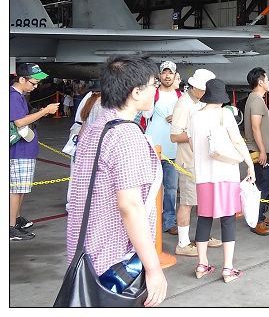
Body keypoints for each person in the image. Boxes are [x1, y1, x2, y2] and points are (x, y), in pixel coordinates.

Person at [66, 55, 167, 307]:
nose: (156, 90)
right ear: (136, 92)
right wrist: (153, 267)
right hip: (114, 262)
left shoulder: (97, 126)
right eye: (153, 84)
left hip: (86, 253)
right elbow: (130, 206)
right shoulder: (126, 135)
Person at [188, 79, 255, 283]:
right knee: (227, 220)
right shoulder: (224, 114)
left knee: (204, 218)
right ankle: (227, 268)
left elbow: (192, 145)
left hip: (203, 176)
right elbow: (237, 141)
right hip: (226, 174)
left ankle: (201, 265)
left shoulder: (194, 116)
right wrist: (249, 163)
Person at [169, 68, 222, 256]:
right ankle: (183, 243)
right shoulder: (183, 104)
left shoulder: (200, 102)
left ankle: (203, 237)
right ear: (197, 87)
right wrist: (198, 134)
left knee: (203, 201)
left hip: (203, 160)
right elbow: (174, 136)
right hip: (189, 162)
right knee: (188, 202)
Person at [10, 63, 60, 241]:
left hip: (24, 150)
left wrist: (40, 113)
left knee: (21, 189)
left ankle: (15, 220)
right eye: (33, 83)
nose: (36, 86)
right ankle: (10, 227)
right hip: (18, 151)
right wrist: (45, 111)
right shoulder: (13, 96)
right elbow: (19, 122)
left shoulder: (19, 96)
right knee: (16, 190)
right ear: (22, 79)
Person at [141, 60, 181, 235]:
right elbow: (145, 114)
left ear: (175, 75)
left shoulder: (180, 97)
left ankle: (169, 222)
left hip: (172, 150)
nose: (167, 76)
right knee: (150, 188)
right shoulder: (154, 94)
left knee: (171, 190)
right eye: (164, 72)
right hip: (153, 150)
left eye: (170, 73)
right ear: (159, 75)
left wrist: (178, 116)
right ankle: (148, 221)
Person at [243, 67, 269, 236]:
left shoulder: (254, 99)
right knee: (262, 187)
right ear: (260, 82)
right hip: (259, 150)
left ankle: (261, 216)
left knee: (263, 185)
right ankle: (256, 221)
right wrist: (263, 150)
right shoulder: (256, 101)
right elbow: (255, 127)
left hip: (260, 149)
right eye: (267, 79)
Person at [65, 80, 103, 211]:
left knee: (78, 175)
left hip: (81, 137)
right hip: (93, 143)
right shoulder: (101, 105)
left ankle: (73, 203)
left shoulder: (89, 100)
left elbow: (83, 126)